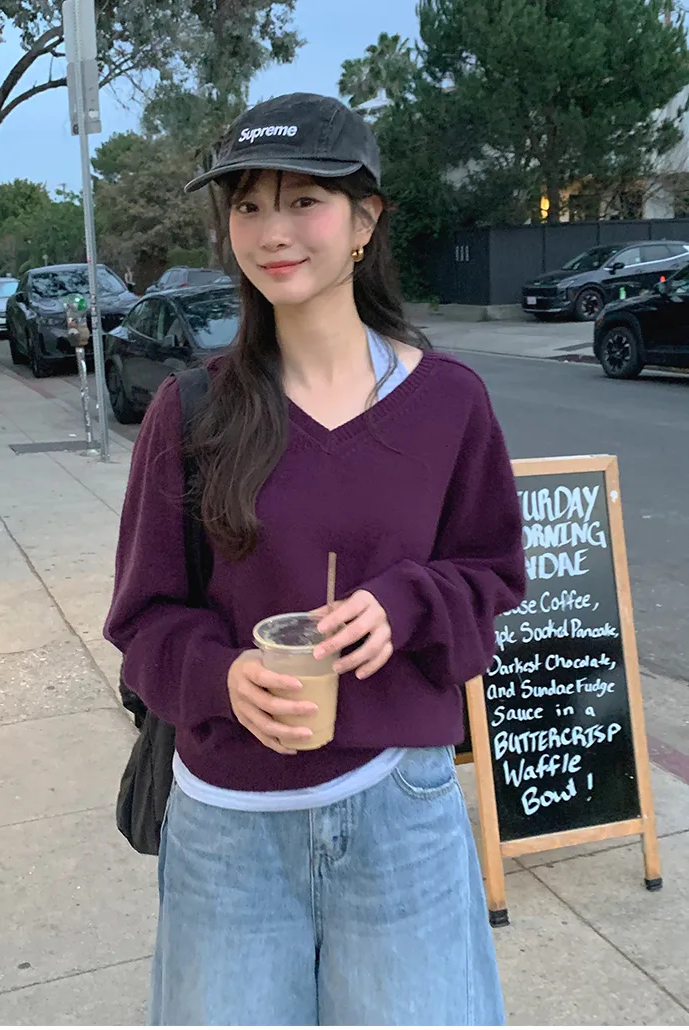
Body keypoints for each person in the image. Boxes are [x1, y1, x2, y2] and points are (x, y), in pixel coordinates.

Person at [105, 92, 526, 1027]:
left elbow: (494, 574)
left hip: (399, 807)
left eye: (305, 201)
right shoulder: (192, 411)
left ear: (365, 221)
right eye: (248, 205)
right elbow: (142, 622)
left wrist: (407, 603)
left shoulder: (449, 403)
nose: (272, 231)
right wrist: (223, 678)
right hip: (228, 829)